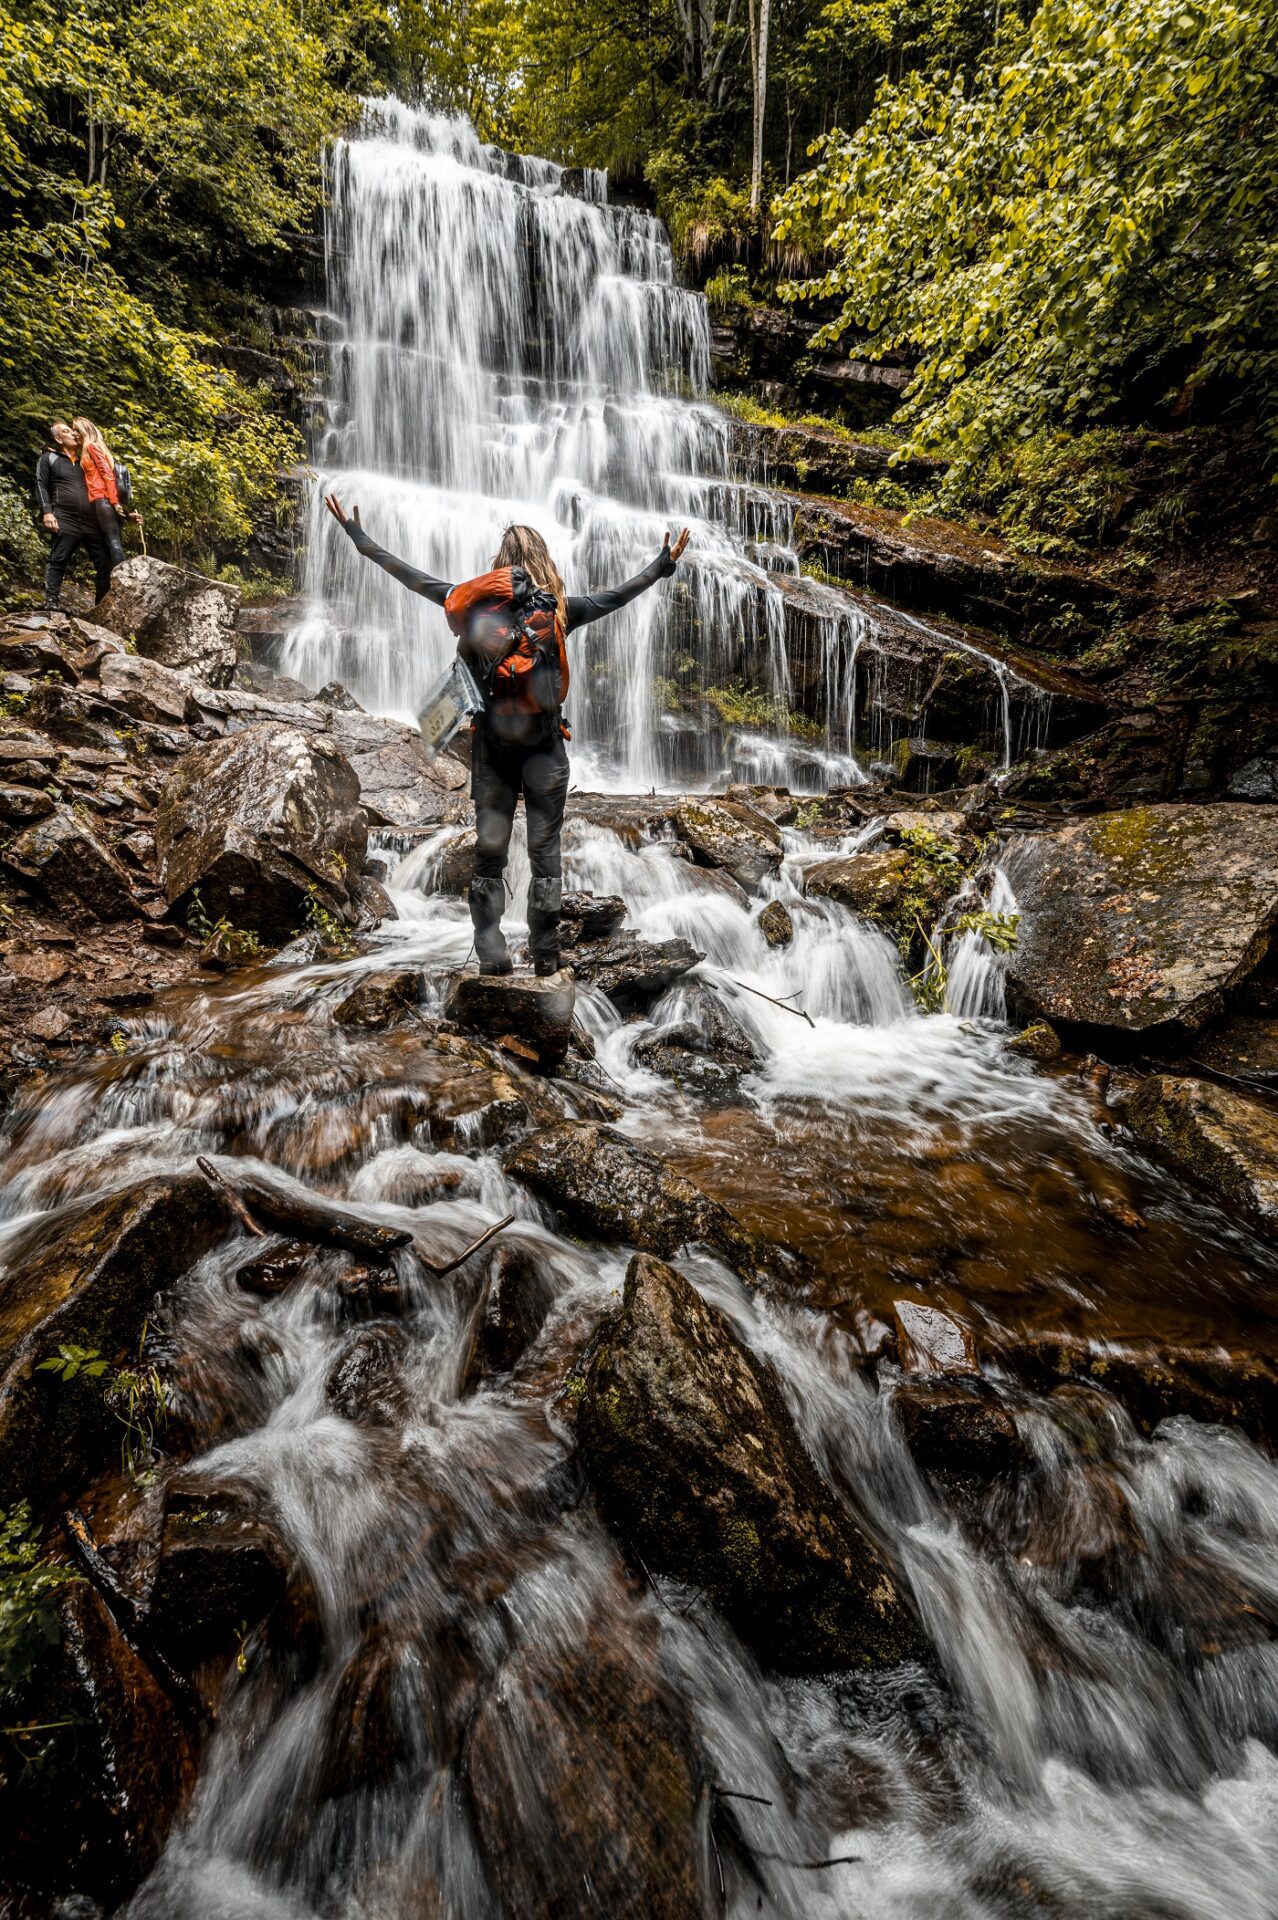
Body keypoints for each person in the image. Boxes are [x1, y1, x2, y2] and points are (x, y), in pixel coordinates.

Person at [323, 496, 690, 975]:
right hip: (545, 753)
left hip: (492, 753)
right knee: (545, 854)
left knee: (489, 854)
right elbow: (619, 596)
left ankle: (491, 957)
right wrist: (663, 565)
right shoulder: (559, 613)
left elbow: (410, 576)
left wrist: (360, 538)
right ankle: (545, 957)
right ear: (544, 563)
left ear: (497, 569)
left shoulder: (477, 613)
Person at [36, 421, 112, 610]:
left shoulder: (86, 460)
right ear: (58, 438)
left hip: (93, 520)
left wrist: (124, 513)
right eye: (66, 431)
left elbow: (103, 488)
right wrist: (47, 512)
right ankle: (51, 602)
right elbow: (40, 485)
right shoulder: (49, 458)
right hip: (65, 517)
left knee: (105, 564)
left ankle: (99, 607)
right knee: (58, 560)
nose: (73, 434)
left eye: (73, 430)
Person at [72, 416, 138, 578]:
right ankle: (120, 580)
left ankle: (123, 580)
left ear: (84, 430)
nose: (74, 433)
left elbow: (108, 474)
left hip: (103, 500)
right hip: (102, 500)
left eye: (76, 429)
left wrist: (114, 502)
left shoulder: (92, 447)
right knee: (111, 542)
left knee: (112, 542)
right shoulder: (89, 449)